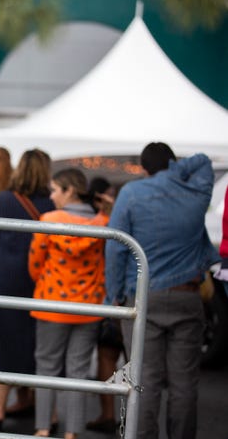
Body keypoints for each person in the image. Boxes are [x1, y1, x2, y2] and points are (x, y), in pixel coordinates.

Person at [105, 143, 219, 439]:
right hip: (188, 296)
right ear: (171, 163)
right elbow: (204, 160)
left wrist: (113, 295)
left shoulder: (131, 193)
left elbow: (116, 248)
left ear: (142, 169)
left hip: (144, 298)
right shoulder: (196, 191)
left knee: (144, 382)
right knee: (184, 385)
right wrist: (172, 171)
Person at [29, 168, 108, 439]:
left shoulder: (48, 220)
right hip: (88, 306)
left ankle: (42, 427)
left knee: (46, 367)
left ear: (69, 191)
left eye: (54, 189)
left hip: (51, 304)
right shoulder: (102, 223)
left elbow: (35, 264)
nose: (51, 196)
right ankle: (72, 432)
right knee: (78, 371)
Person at [0, 149, 55, 432]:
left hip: (5, 275)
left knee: (4, 341)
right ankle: (45, 413)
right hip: (38, 277)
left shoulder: (2, 199)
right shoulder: (51, 204)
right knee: (38, 344)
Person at [85, 176, 122, 434]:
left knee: (108, 354)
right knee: (118, 354)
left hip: (110, 294)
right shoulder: (112, 217)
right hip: (119, 293)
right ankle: (118, 416)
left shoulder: (100, 220)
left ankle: (110, 414)